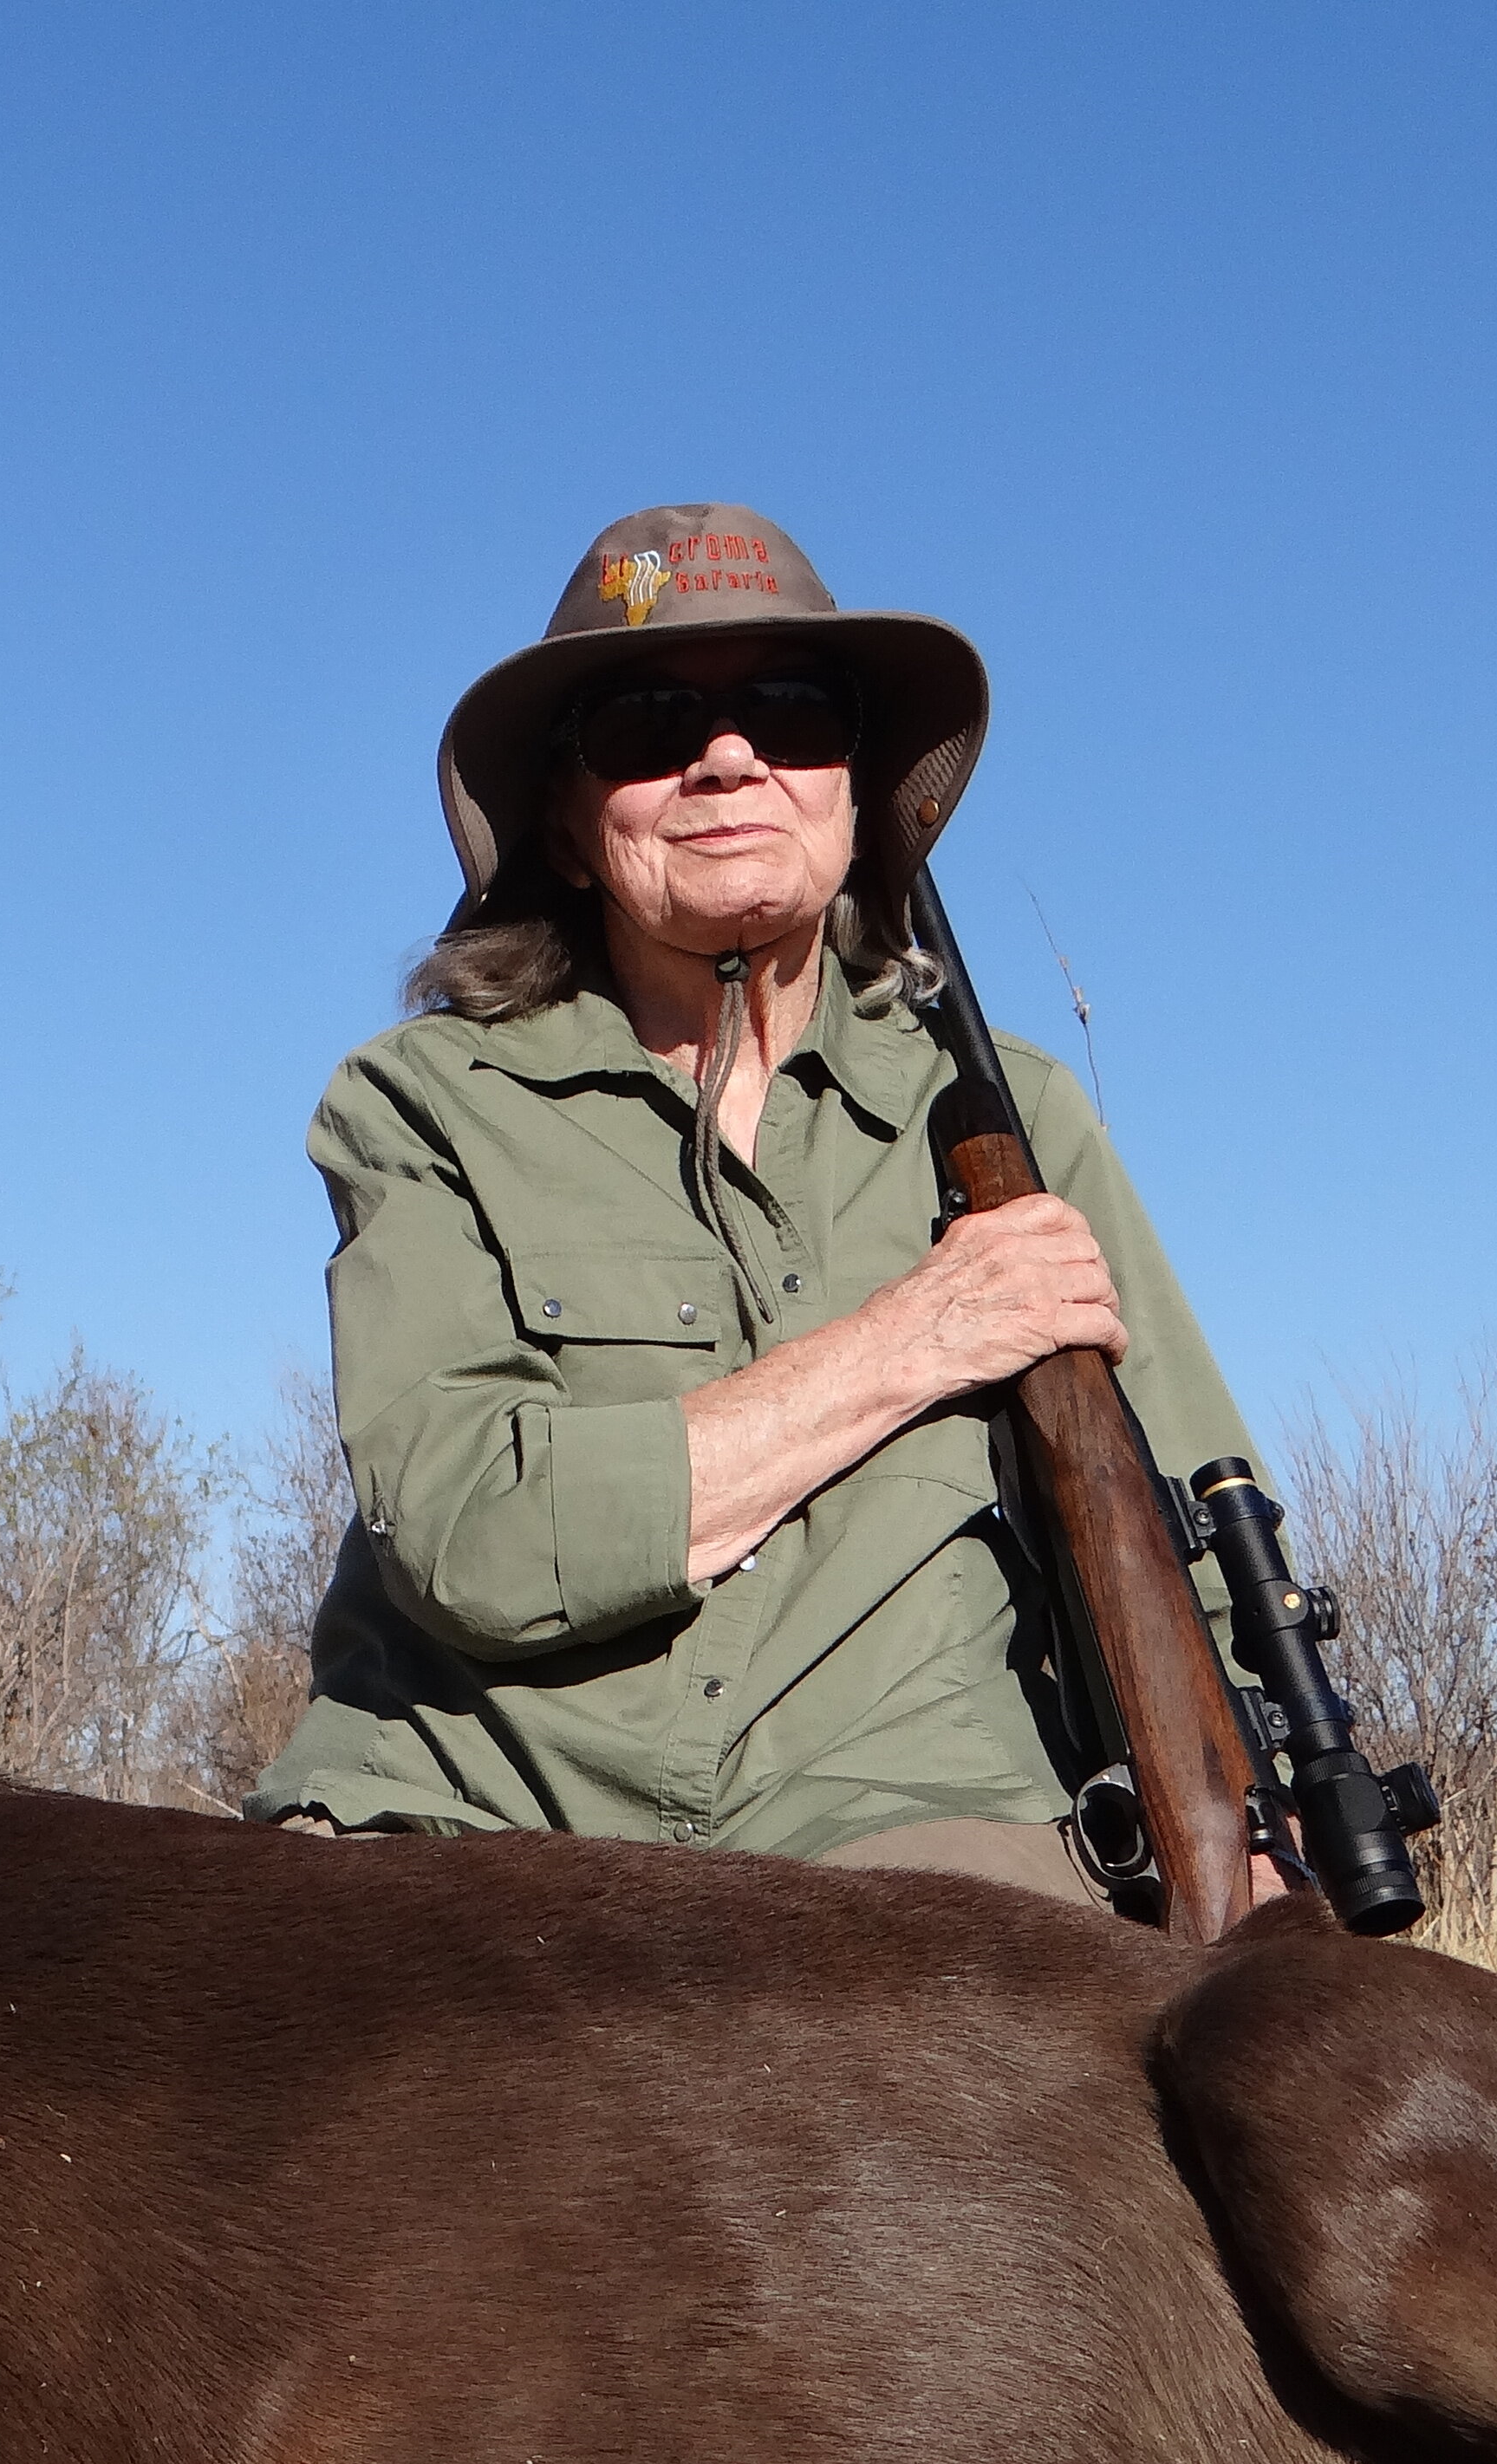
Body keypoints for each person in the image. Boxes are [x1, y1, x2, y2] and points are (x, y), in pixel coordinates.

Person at [250, 502, 1274, 1908]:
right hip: (473, 1826)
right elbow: (468, 1531)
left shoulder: (1021, 1114)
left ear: (855, 790)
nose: (728, 757)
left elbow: (1198, 1532)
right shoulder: (421, 1102)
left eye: (791, 711)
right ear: (562, 816)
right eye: (646, 723)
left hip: (925, 1837)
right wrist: (914, 1341)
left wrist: (1262, 1843)